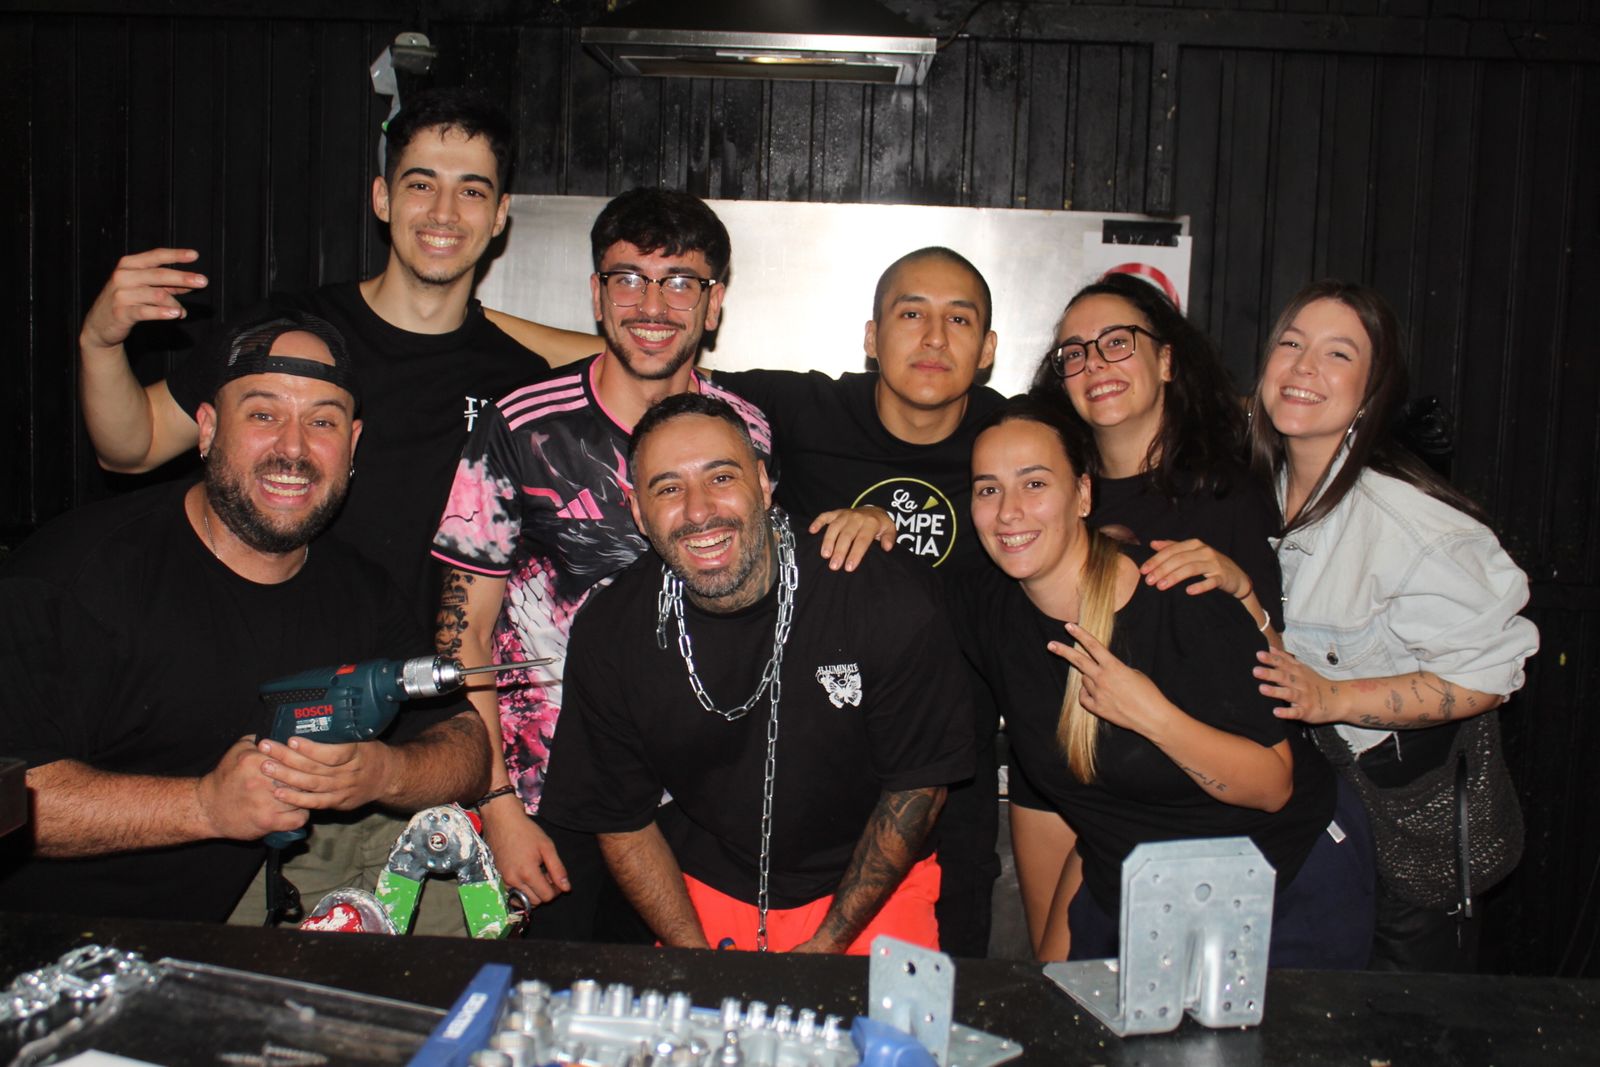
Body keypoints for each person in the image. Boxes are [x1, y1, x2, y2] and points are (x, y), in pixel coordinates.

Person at [0, 314, 489, 922]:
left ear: (353, 444)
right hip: (43, 954)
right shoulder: (72, 575)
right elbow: (14, 794)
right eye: (263, 415)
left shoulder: (358, 589)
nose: (293, 448)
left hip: (228, 945)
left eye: (322, 422)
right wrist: (203, 807)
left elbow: (466, 747)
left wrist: (384, 772)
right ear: (206, 429)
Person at [76, 86, 595, 632]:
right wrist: (100, 344)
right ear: (382, 198)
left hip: (437, 689)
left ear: (499, 215)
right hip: (284, 664)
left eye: (471, 191)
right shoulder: (290, 334)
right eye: (421, 184)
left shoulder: (517, 376)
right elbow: (133, 448)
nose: (443, 212)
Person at [431, 190, 772, 938]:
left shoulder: (747, 431)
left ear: (713, 304)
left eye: (681, 281)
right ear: (596, 294)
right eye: (628, 278)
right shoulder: (520, 426)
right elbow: (465, 633)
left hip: (697, 804)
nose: (654, 303)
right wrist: (498, 806)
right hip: (550, 807)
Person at [538, 394, 974, 953]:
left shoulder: (879, 593)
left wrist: (828, 944)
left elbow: (919, 786)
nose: (698, 511)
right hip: (708, 885)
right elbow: (621, 819)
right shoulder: (612, 632)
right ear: (639, 513)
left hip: (878, 883)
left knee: (884, 1041)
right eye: (669, 488)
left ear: (765, 485)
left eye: (721, 478)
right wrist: (696, 957)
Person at [951, 397, 1372, 967]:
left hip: (1281, 880)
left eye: (1033, 484)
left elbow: (1272, 786)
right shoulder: (993, 609)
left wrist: (1150, 714)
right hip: (1138, 881)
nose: (1008, 512)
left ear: (1082, 495)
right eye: (988, 489)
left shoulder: (1179, 599)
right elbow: (1110, 805)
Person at [699, 246, 1006, 957]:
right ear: (871, 336)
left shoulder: (1010, 436)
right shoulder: (809, 411)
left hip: (954, 768)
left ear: (987, 349)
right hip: (816, 759)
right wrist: (469, 322)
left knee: (943, 990)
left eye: (958, 319)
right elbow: (652, 368)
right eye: (910, 314)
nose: (934, 338)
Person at [1239, 281, 1538, 971]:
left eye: (1337, 354)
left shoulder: (1409, 524)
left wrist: (1334, 697)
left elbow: (1491, 674)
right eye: (1291, 343)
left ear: (1371, 394)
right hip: (1301, 822)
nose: (1304, 366)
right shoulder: (1249, 493)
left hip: (1400, 829)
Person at [1030, 273, 1284, 637]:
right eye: (1074, 353)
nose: (1094, 362)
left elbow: (1277, 670)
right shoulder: (1049, 500)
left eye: (1117, 342)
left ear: (1166, 361)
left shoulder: (1230, 496)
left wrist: (1240, 588)